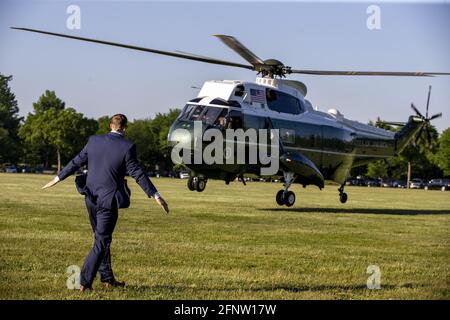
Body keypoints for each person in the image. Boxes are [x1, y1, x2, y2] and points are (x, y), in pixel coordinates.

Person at [42, 114, 169, 292]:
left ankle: (108, 278)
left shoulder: (94, 141)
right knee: (102, 241)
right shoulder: (128, 146)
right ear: (125, 128)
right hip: (108, 201)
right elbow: (137, 173)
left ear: (110, 125)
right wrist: (155, 195)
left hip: (90, 198)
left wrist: (57, 178)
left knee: (101, 239)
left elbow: (76, 161)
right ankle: (84, 281)